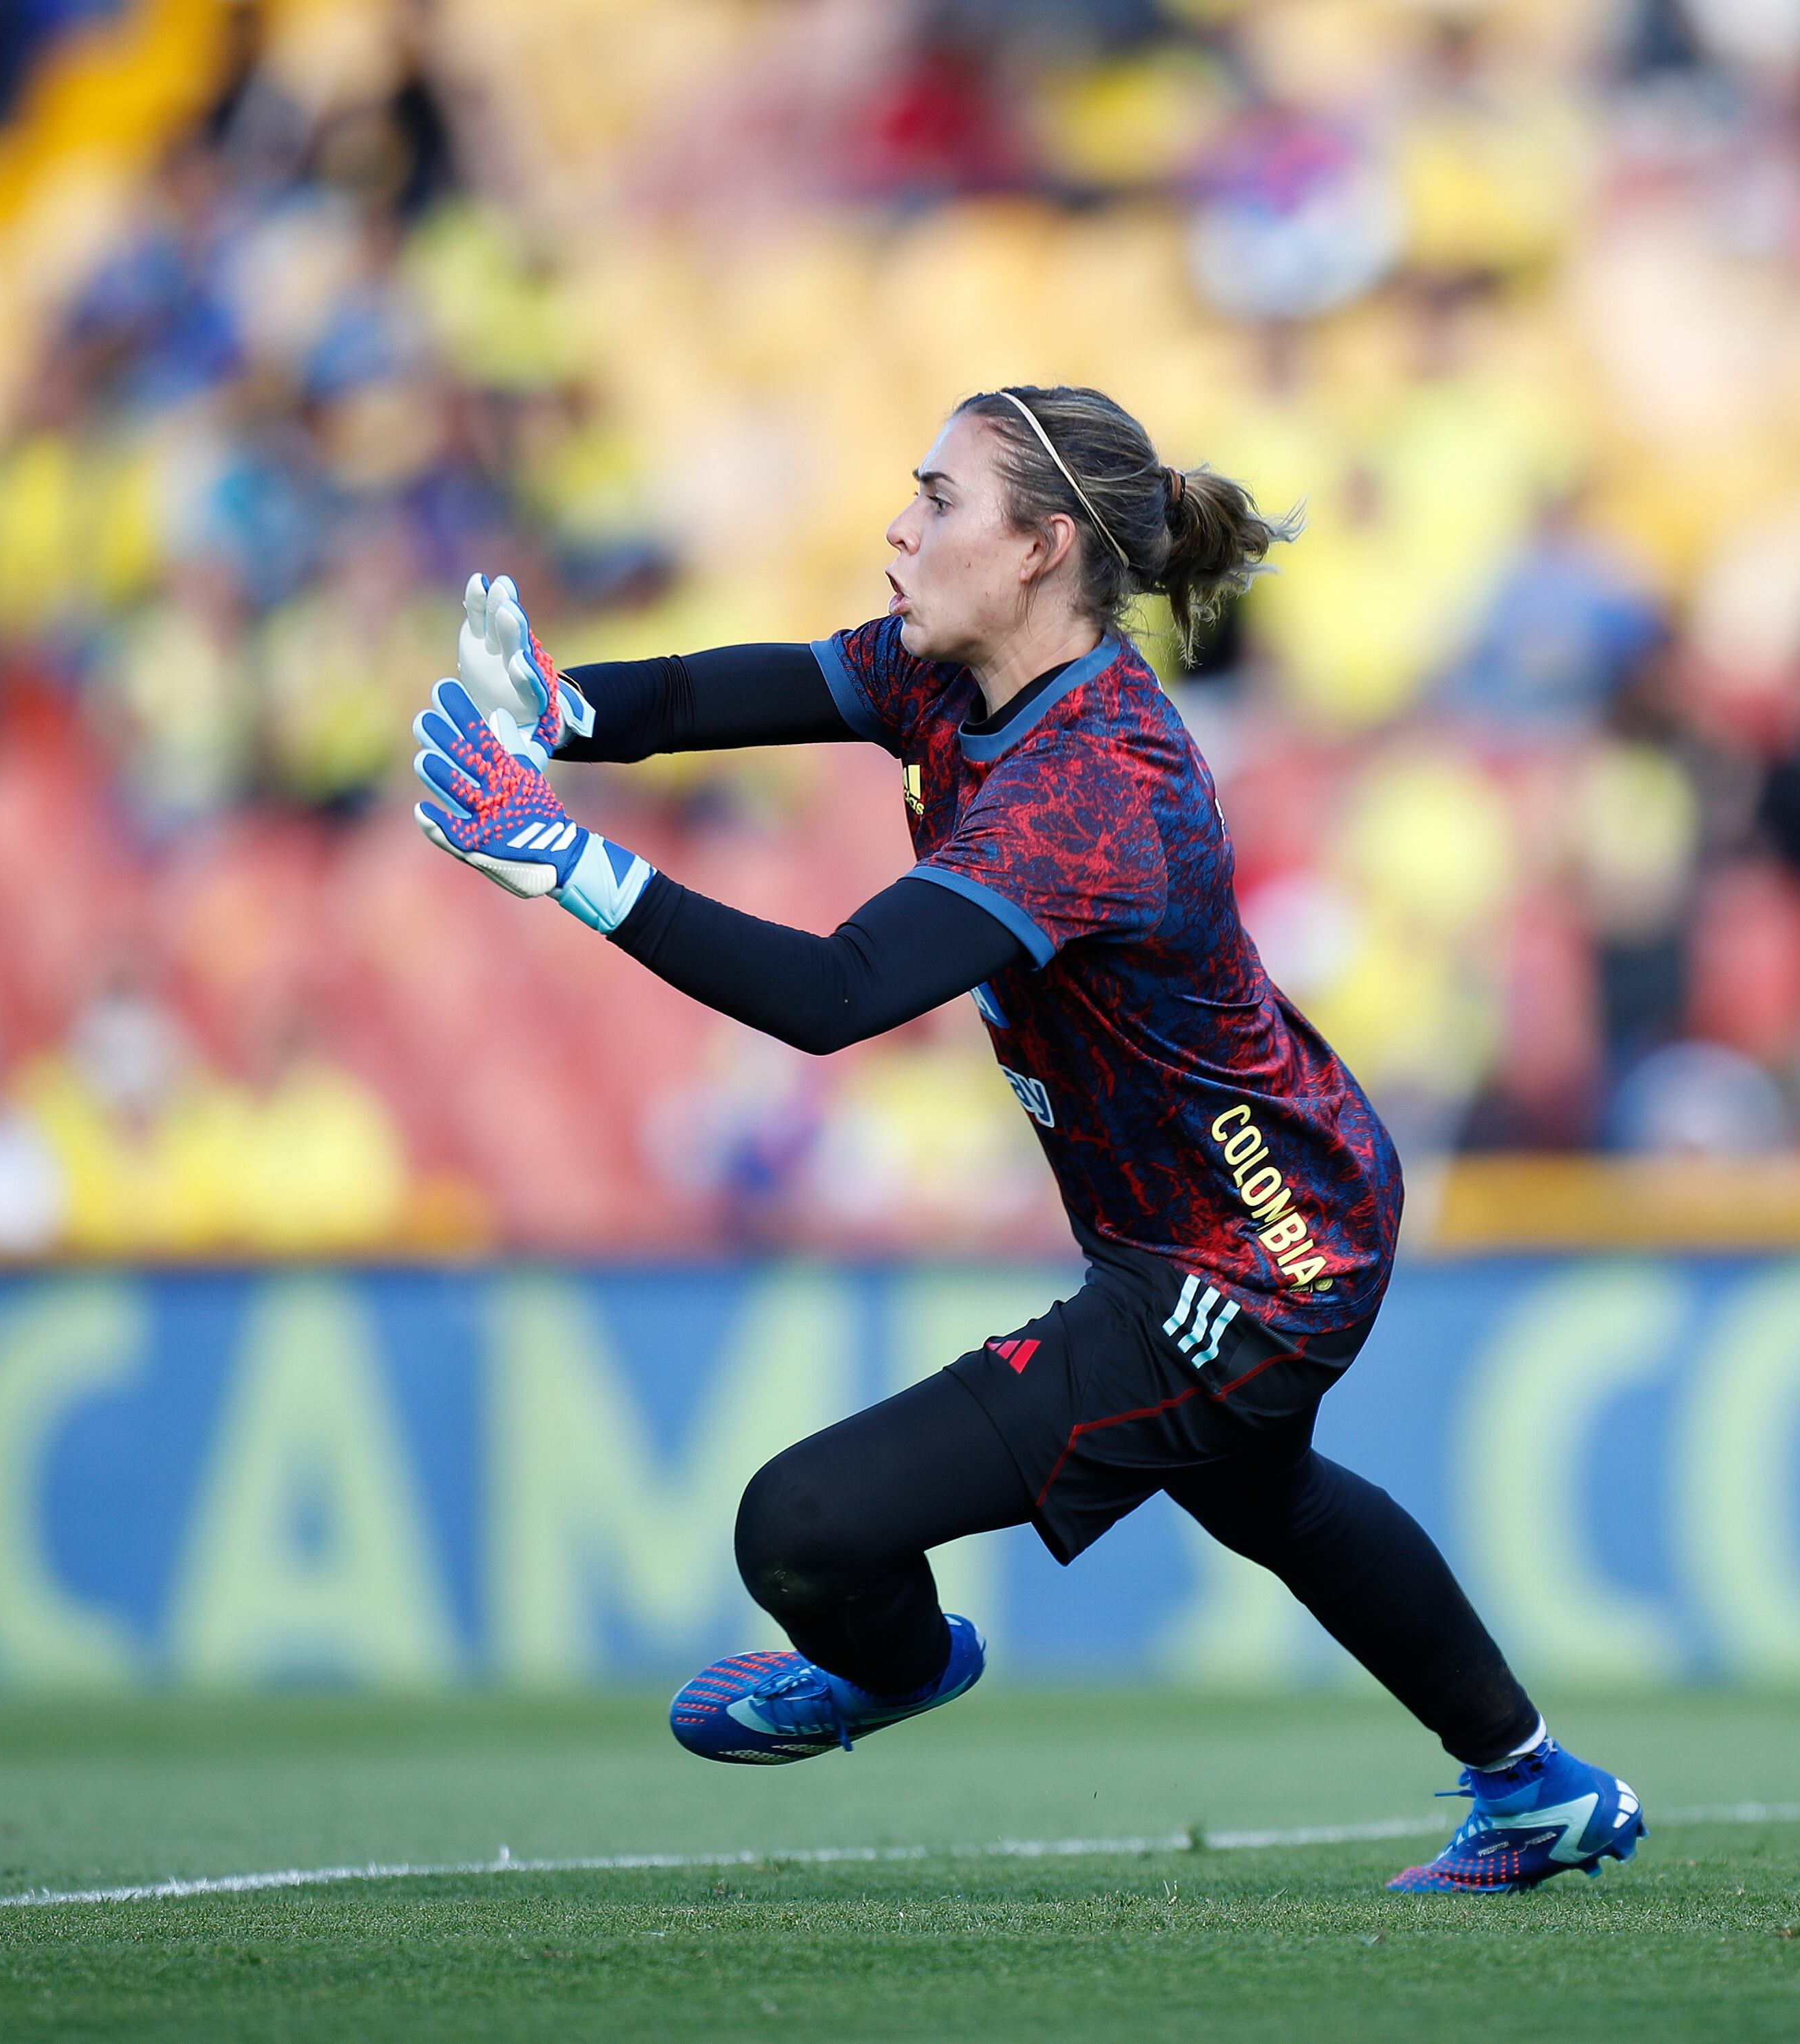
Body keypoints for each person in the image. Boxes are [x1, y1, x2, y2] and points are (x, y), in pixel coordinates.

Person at [406, 384, 1644, 1894]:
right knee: (1265, 1492)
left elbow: (833, 995)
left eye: (937, 500)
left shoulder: (1094, 785)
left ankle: (898, 1664)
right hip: (1242, 1203)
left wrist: (567, 861)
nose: (898, 527)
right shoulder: (957, 671)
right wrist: (556, 708)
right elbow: (714, 698)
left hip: (1251, 1256)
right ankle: (1533, 1787)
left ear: (1042, 548)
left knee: (802, 1524)